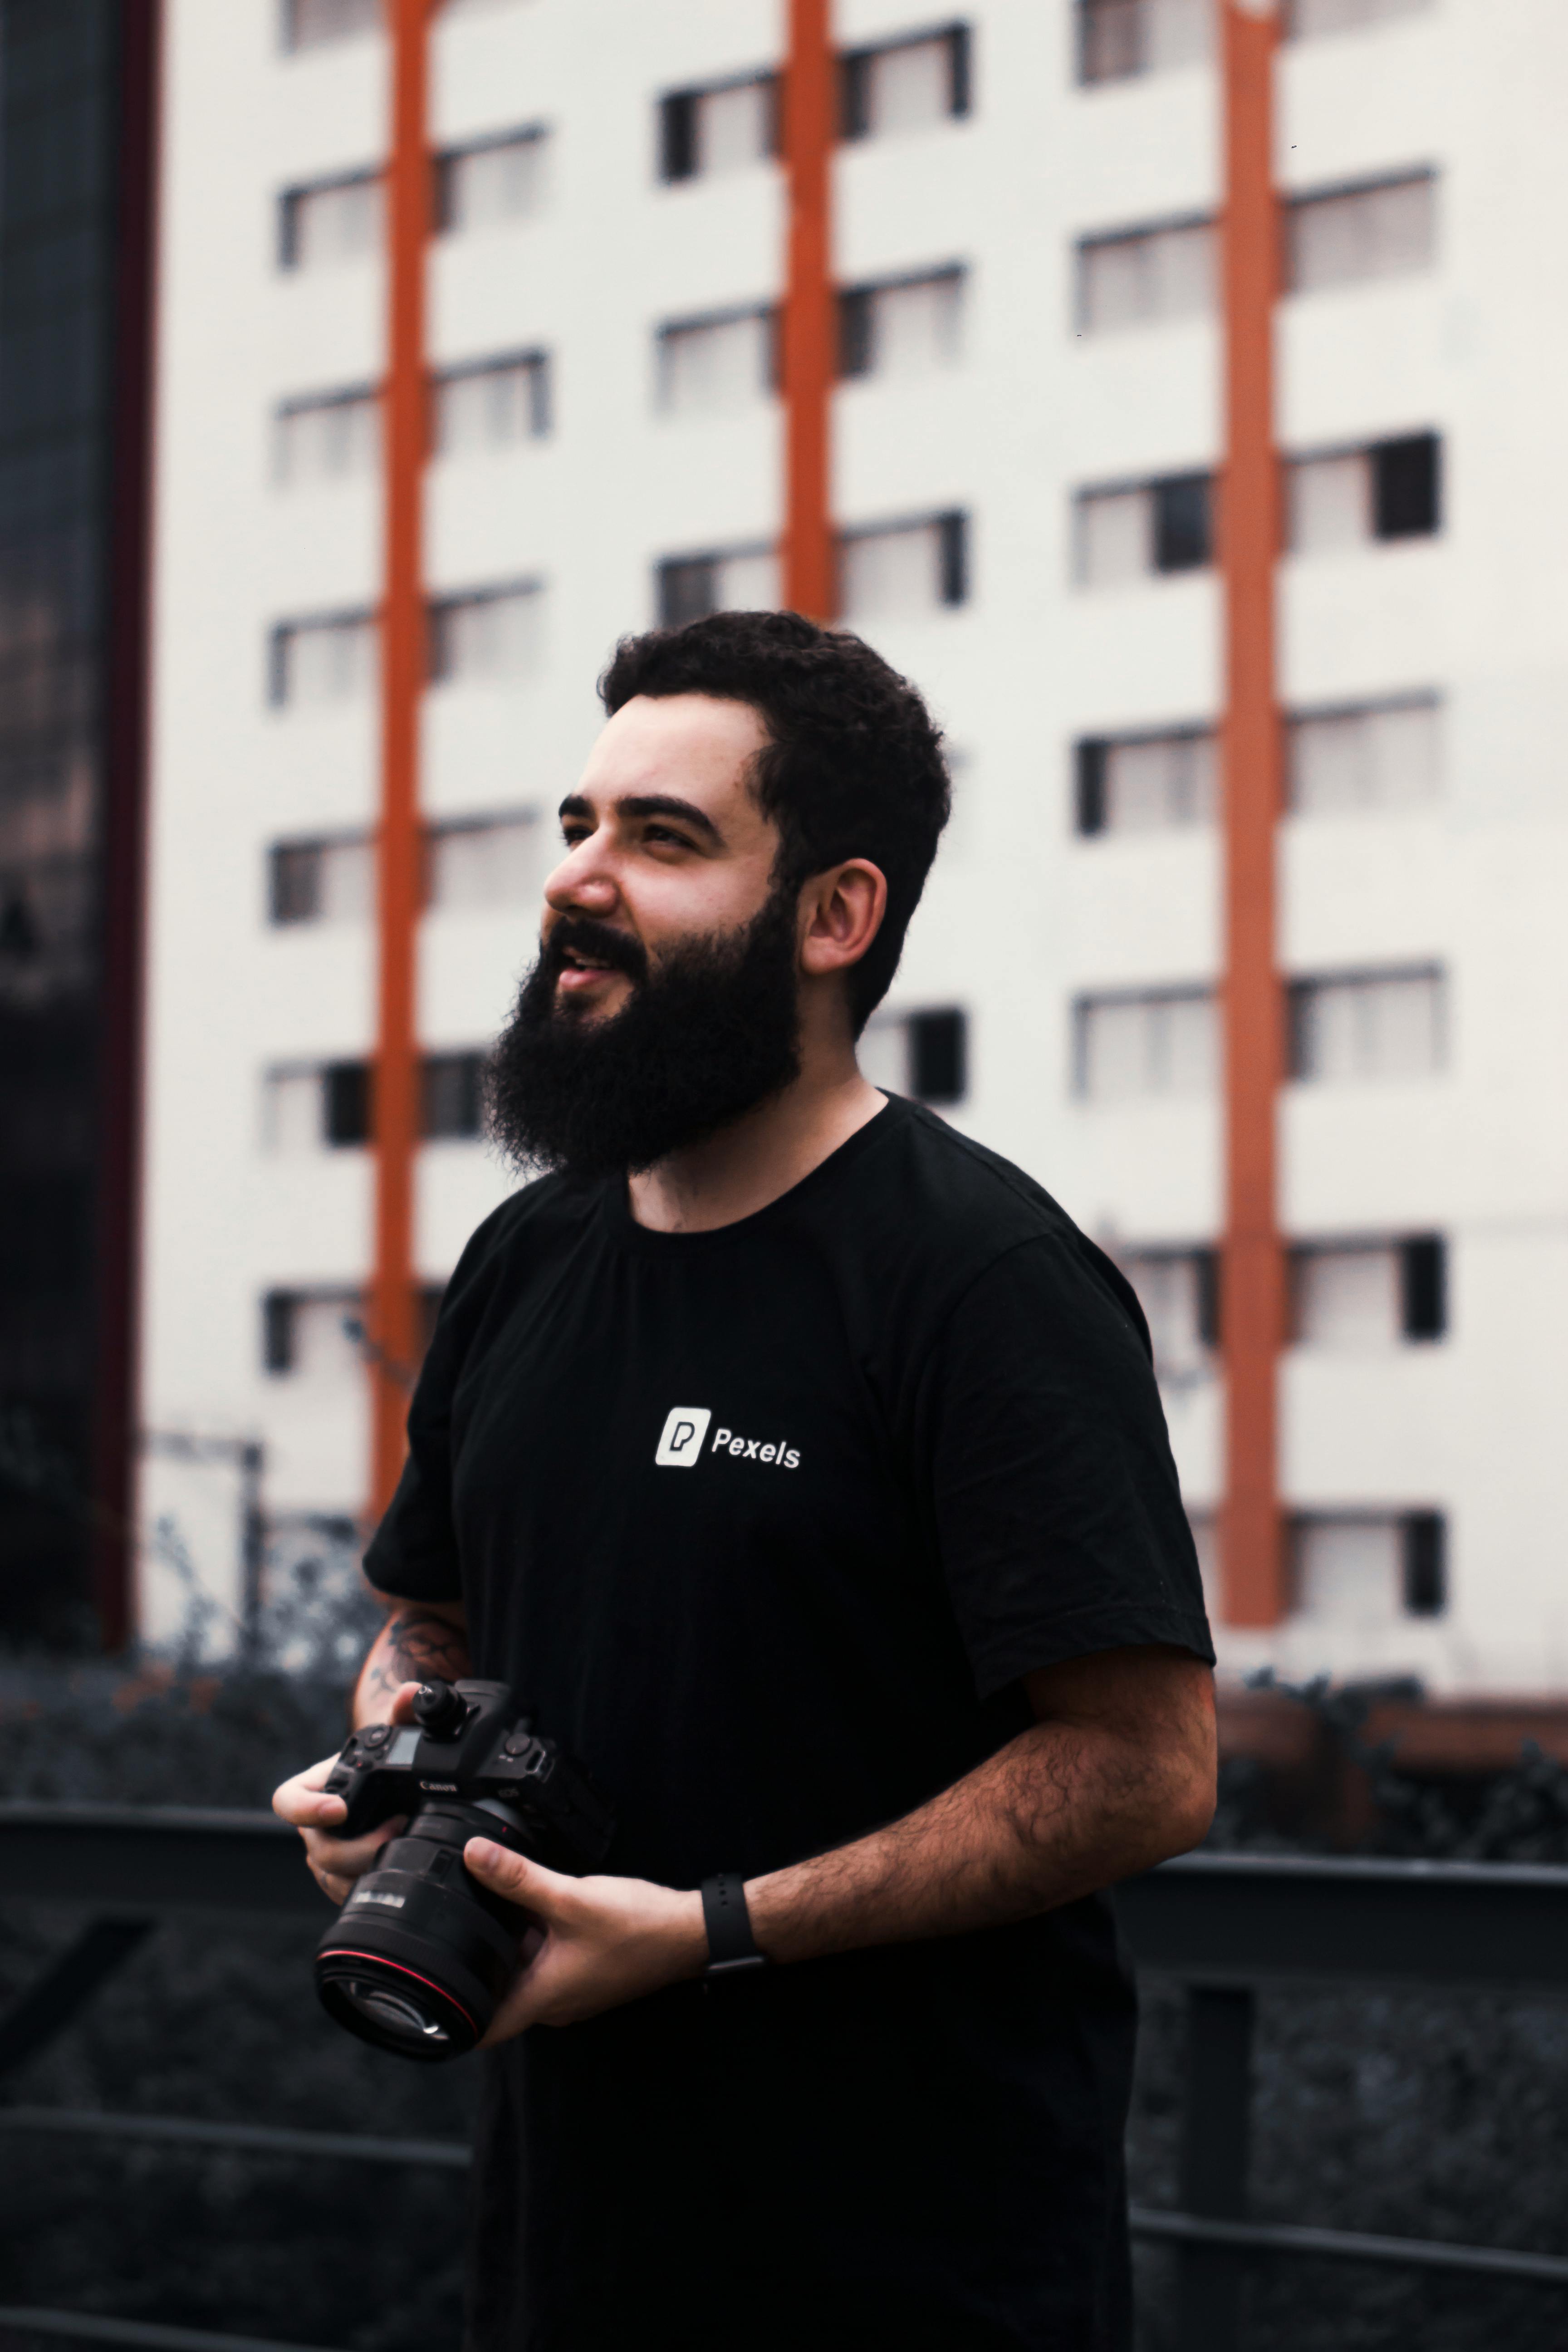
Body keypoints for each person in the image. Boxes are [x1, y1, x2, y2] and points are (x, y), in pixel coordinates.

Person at [274, 609, 1216, 2352]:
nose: (579, 878)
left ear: (834, 917)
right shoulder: (524, 1260)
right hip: (569, 2247)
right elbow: (431, 1618)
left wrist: (712, 1932)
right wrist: (392, 1769)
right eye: (579, 826)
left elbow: (1142, 1771)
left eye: (664, 838)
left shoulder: (981, 1279)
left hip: (911, 2270)